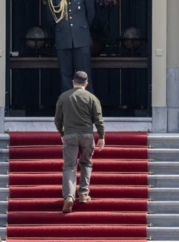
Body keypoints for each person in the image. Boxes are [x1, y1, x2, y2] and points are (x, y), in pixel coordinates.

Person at [54, 71, 105, 214]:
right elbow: (98, 119)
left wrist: (62, 133)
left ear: (73, 82)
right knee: (86, 163)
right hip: (87, 135)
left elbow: (57, 119)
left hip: (70, 135)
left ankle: (69, 196)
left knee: (69, 166)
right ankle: (83, 193)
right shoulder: (92, 98)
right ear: (86, 84)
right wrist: (101, 136)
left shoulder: (64, 97)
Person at [46, 0, 96, 93]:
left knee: (85, 75)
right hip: (63, 38)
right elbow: (50, 17)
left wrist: (81, 28)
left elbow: (91, 13)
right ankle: (68, 105)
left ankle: (86, 104)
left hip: (81, 38)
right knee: (65, 77)